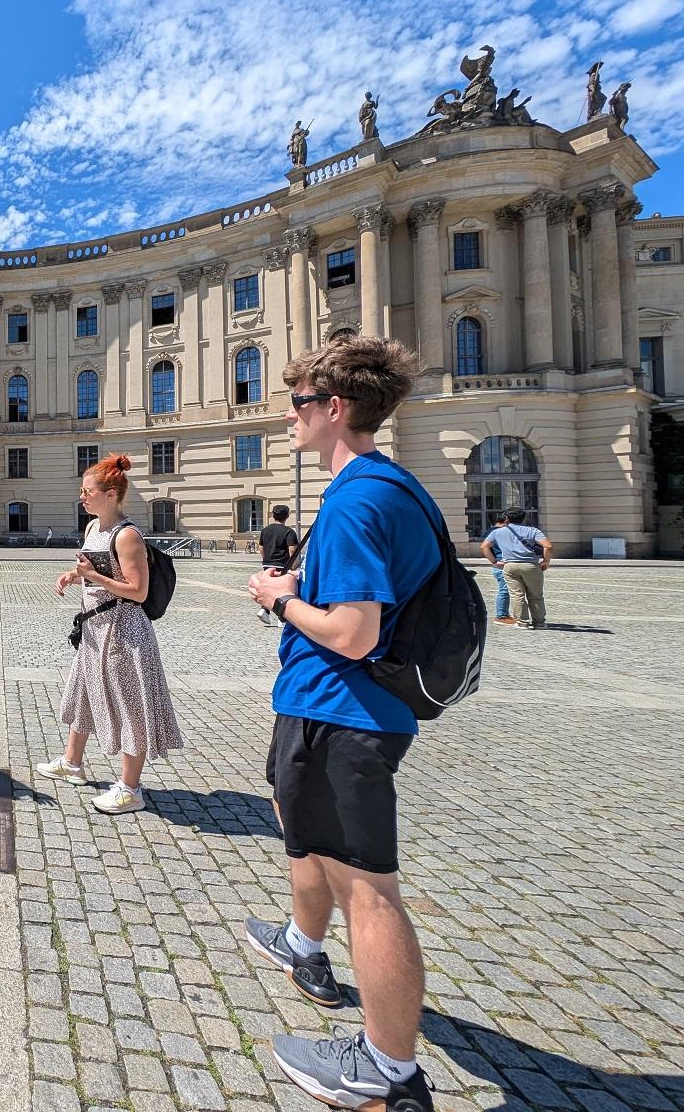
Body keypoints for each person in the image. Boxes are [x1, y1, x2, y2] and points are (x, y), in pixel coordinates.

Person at [244, 337, 439, 1112]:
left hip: (340, 707)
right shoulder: (389, 485)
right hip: (340, 708)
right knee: (308, 836)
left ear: (334, 408)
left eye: (296, 403)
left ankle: (387, 1069)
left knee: (369, 891)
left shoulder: (357, 498)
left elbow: (355, 633)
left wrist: (281, 599)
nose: (286, 416)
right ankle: (301, 941)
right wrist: (306, 581)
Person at [38, 454, 182, 814]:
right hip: (94, 629)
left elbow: (138, 591)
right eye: (82, 490)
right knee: (83, 695)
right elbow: (92, 569)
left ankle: (131, 789)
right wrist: (74, 575)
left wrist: (94, 577)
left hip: (123, 633)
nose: (82, 497)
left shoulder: (127, 535)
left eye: (88, 491)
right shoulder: (93, 528)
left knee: (130, 705)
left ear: (111, 495)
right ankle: (72, 763)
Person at [483, 506, 551, 629]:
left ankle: (522, 622)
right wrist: (546, 561)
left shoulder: (498, 532)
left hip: (510, 566)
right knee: (536, 595)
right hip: (530, 565)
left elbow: (484, 546)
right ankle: (539, 622)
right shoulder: (532, 531)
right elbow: (548, 546)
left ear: (507, 518)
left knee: (516, 595)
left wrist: (494, 562)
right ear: (524, 518)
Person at [255, 505, 299, 626]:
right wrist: (293, 566)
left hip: (268, 563)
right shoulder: (289, 532)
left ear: (273, 515)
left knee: (269, 587)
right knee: (283, 590)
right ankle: (282, 618)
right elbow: (292, 550)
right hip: (282, 564)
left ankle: (264, 610)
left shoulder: (265, 530)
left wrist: (266, 559)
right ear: (287, 516)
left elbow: (261, 548)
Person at [479, 509, 515, 625]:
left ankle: (504, 614)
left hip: (499, 563)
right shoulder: (498, 532)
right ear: (506, 521)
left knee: (505, 590)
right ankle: (501, 616)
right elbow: (484, 547)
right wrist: (494, 561)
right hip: (501, 564)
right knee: (504, 590)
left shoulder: (490, 531)